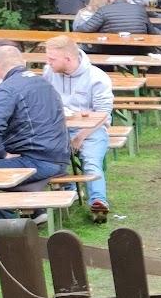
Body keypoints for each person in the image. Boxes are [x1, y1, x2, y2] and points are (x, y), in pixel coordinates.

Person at [41, 35, 113, 222]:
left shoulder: (97, 77)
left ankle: (98, 203)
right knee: (47, 156)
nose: (47, 62)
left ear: (68, 59)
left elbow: (104, 114)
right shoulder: (49, 73)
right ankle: (67, 192)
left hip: (91, 130)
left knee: (90, 160)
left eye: (52, 59)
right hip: (58, 129)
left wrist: (80, 137)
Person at [0, 43, 69, 187]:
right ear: (24, 62)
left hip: (35, 161)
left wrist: (0, 154)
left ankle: (3, 210)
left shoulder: (7, 89)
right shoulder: (44, 83)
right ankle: (14, 208)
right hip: (58, 158)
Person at [72, 0, 153, 36]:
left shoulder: (104, 10)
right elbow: (151, 30)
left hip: (110, 48)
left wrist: (76, 29)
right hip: (139, 48)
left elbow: (87, 28)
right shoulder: (140, 9)